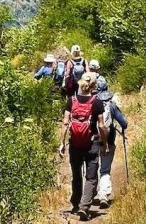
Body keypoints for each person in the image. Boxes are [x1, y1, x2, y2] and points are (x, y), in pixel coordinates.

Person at [58, 73, 109, 221]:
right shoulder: (97, 102)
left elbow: (66, 123)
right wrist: (104, 144)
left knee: (76, 175)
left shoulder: (71, 101)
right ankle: (85, 206)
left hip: (74, 144)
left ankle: (75, 203)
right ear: (93, 86)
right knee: (91, 177)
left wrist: (62, 143)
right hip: (91, 143)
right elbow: (101, 125)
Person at [95, 80, 128, 209]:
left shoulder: (92, 104)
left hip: (92, 141)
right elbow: (124, 123)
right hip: (109, 142)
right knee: (104, 169)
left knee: (91, 167)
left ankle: (89, 192)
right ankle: (103, 195)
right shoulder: (112, 105)